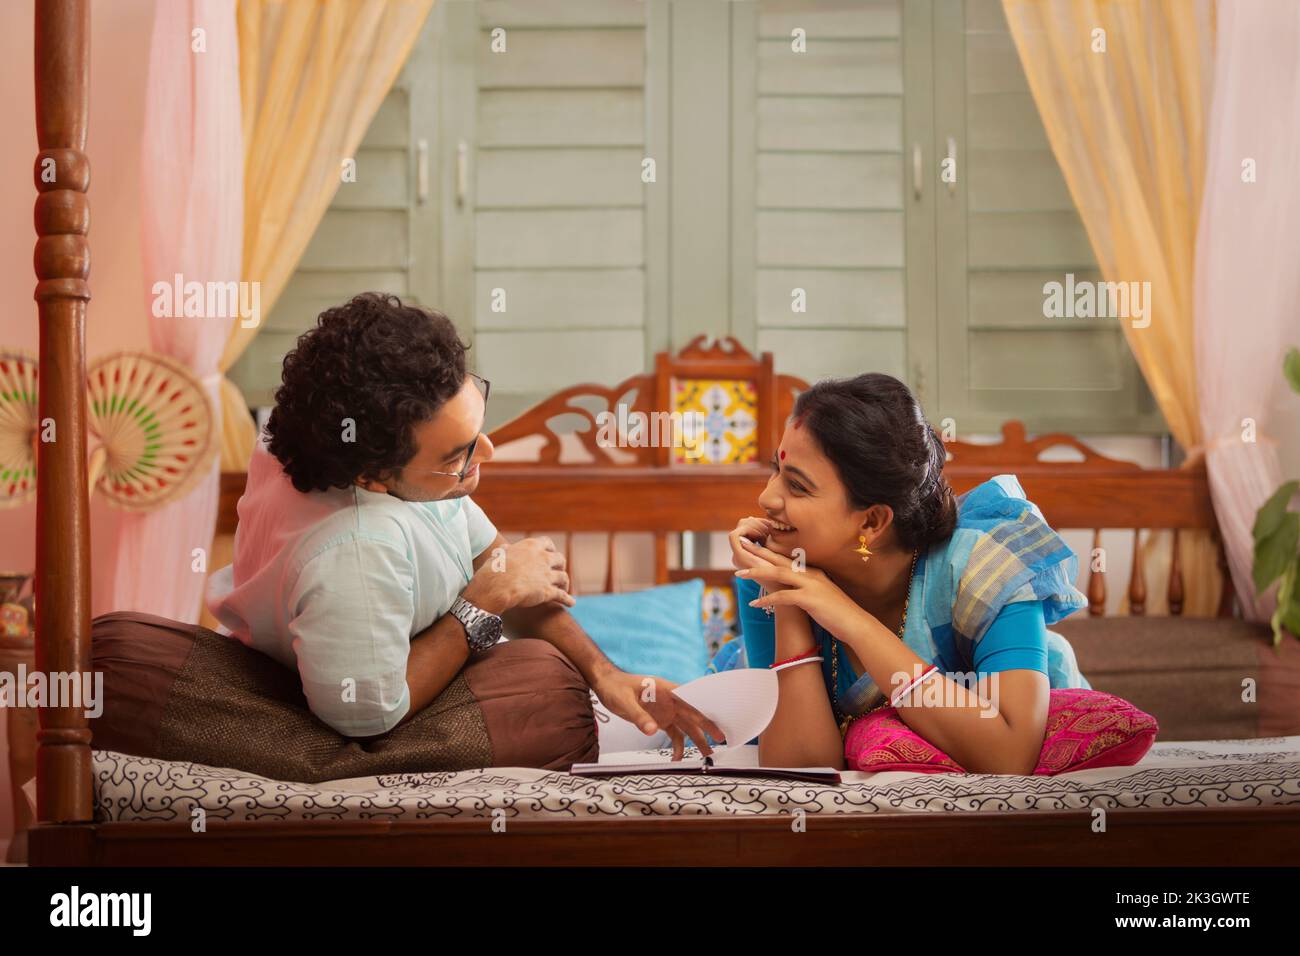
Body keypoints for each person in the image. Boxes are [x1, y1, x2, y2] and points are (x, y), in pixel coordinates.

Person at [206, 292, 724, 759]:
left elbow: (492, 561)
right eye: (459, 454)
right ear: (373, 477)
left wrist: (607, 674)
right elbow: (367, 714)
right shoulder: (357, 548)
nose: (489, 453)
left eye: (478, 426)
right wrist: (485, 601)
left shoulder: (353, 450)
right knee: (550, 698)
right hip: (363, 711)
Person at [730, 372, 1090, 773]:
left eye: (796, 486)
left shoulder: (989, 562)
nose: (766, 497)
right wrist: (790, 601)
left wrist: (850, 621)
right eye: (775, 471)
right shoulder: (770, 573)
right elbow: (800, 772)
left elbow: (1009, 755)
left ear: (871, 522)